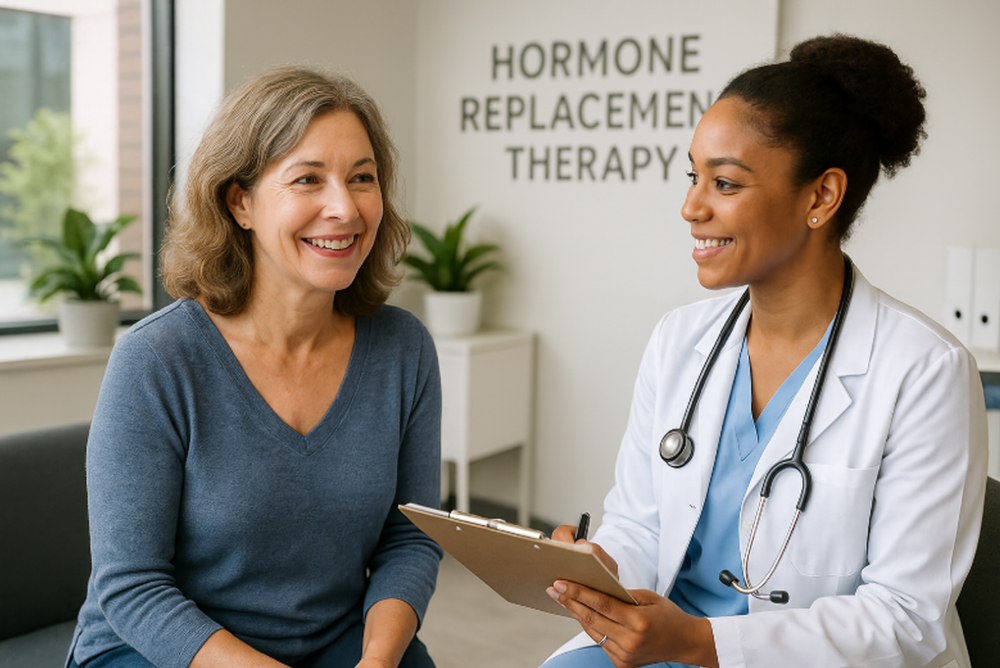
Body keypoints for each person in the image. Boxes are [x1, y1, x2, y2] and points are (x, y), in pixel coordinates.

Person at [542, 35, 988, 668]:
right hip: (666, 641)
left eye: (724, 183)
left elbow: (905, 619)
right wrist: (604, 569)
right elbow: (641, 523)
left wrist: (699, 642)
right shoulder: (679, 340)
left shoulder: (925, 371)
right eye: (693, 176)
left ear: (821, 197)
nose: (690, 207)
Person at [66, 67, 443, 668]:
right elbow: (132, 587)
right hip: (162, 648)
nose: (344, 208)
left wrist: (377, 660)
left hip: (334, 640)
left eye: (362, 178)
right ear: (240, 201)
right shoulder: (156, 359)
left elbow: (411, 536)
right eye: (308, 179)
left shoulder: (405, 349)